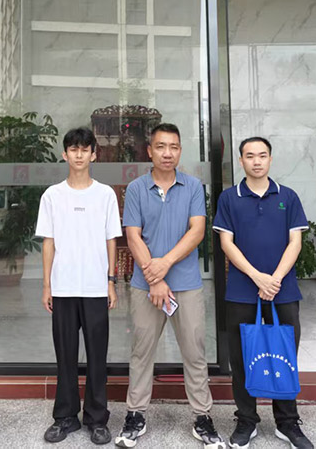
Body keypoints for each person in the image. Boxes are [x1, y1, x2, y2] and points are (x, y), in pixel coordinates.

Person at [115, 123, 225, 449]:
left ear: (180, 151)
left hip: (186, 285)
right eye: (161, 146)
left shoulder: (193, 187)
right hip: (146, 286)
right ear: (149, 151)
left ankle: (202, 417)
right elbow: (132, 236)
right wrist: (156, 277)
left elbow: (197, 231)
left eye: (174, 147)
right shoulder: (136, 188)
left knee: (194, 352)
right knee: (141, 352)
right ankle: (135, 415)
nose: (167, 153)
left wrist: (164, 264)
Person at [213, 137, 314, 449]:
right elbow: (226, 243)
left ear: (270, 159)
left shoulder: (288, 196)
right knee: (242, 357)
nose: (256, 161)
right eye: (250, 156)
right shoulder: (229, 198)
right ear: (240, 161)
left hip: (283, 291)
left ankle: (288, 422)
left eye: (262, 155)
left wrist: (275, 279)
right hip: (242, 291)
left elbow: (295, 242)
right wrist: (257, 277)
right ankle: (246, 420)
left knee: (285, 355)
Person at [37, 127, 121, 445]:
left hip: (96, 288)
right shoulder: (52, 195)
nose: (79, 154)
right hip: (63, 287)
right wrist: (47, 285)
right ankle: (65, 417)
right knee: (66, 356)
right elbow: (48, 242)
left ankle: (97, 419)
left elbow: (111, 240)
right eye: (74, 149)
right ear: (65, 154)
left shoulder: (105, 194)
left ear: (94, 155)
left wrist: (111, 281)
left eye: (85, 149)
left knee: (97, 357)